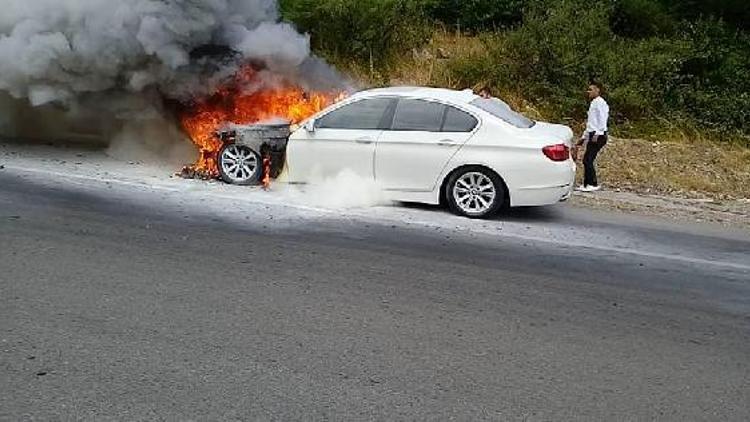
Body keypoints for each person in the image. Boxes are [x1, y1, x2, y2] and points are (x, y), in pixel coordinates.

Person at [575, 81, 610, 192]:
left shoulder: (600, 103)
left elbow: (602, 119)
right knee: (587, 159)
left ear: (597, 90)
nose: (588, 92)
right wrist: (583, 137)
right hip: (592, 133)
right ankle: (587, 184)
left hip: (597, 134)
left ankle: (592, 184)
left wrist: (598, 133)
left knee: (588, 159)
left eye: (591, 89)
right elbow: (591, 123)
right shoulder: (593, 103)